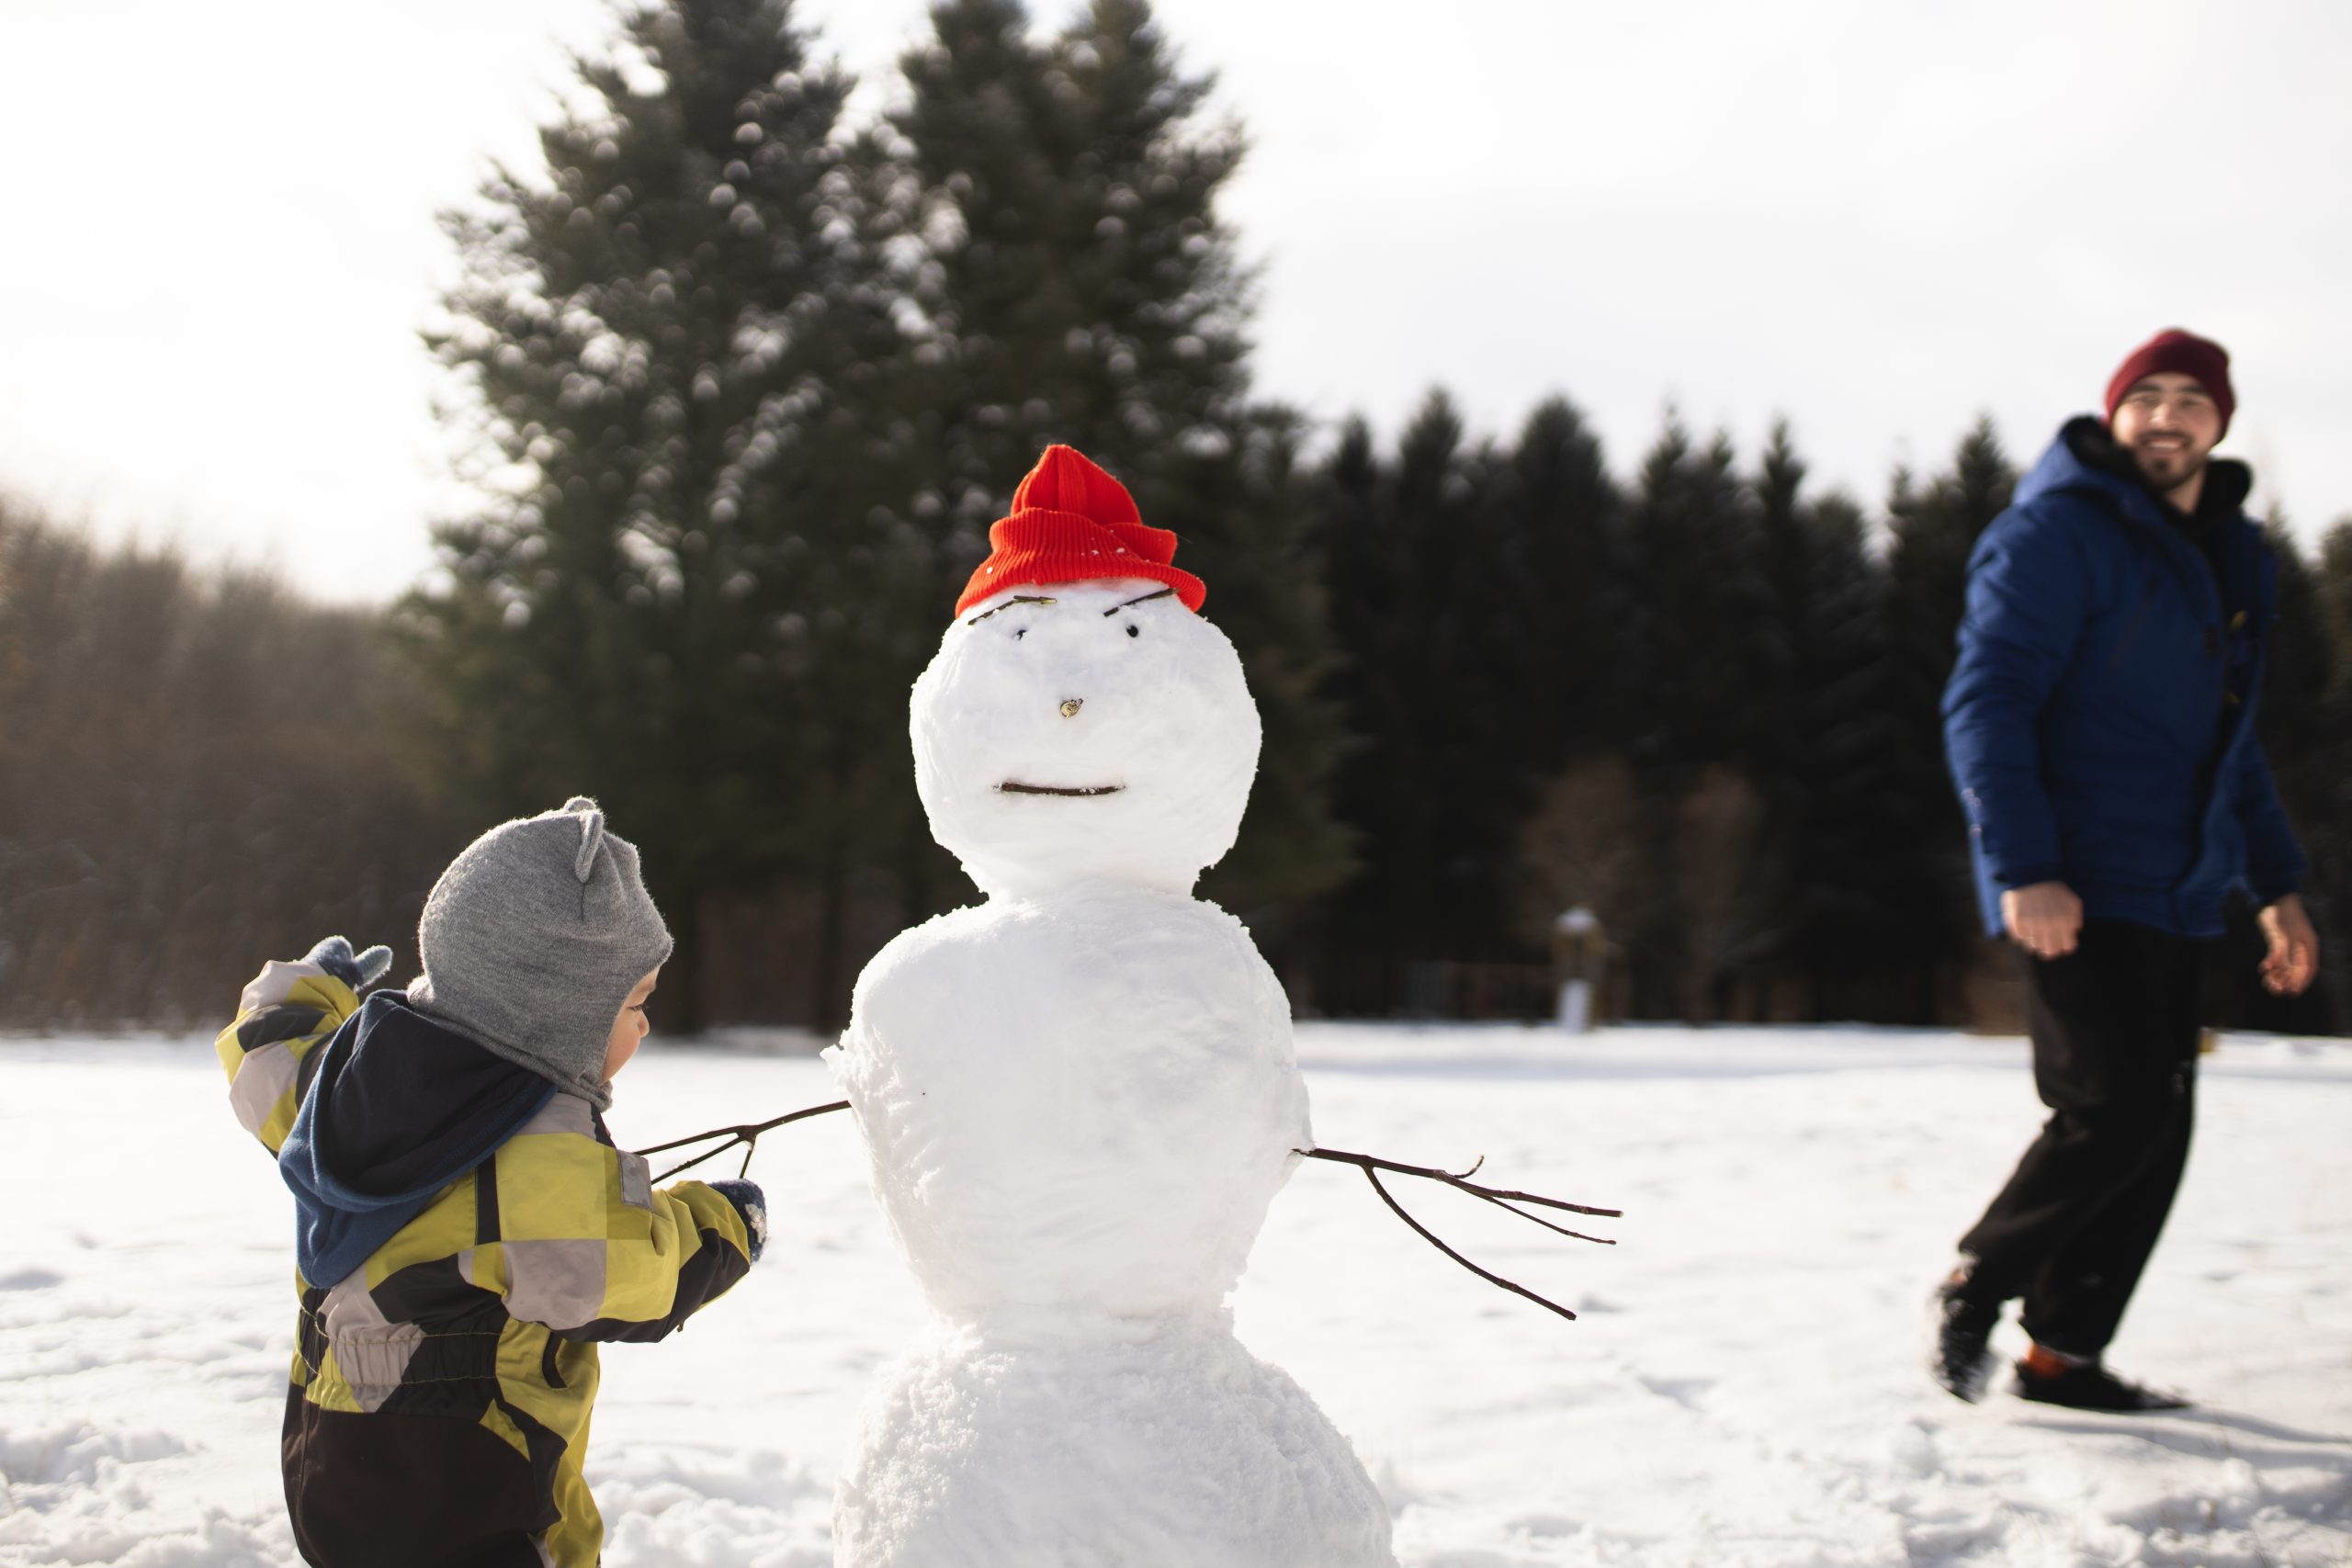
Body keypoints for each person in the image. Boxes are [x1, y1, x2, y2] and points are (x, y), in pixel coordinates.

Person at [214, 796, 767, 1566]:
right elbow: (636, 1274)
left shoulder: (350, 1083)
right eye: (634, 1004)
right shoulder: (533, 1159)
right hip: (469, 1508)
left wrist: (309, 988)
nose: (644, 1025)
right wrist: (727, 1225)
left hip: (331, 1481)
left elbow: (268, 1056)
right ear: (558, 1016)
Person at [1935, 328, 2320, 1412]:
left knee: (2158, 1131)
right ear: (2113, 415)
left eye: (2189, 400)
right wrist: (2023, 864)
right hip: (2075, 876)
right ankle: (1980, 1277)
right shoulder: (2056, 532)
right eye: (2143, 396)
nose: (2164, 415)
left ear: (2220, 423)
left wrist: (2277, 887)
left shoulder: (2233, 556)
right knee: (2118, 1107)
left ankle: (2061, 1357)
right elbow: (1987, 702)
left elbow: (2229, 747)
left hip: (2182, 882)